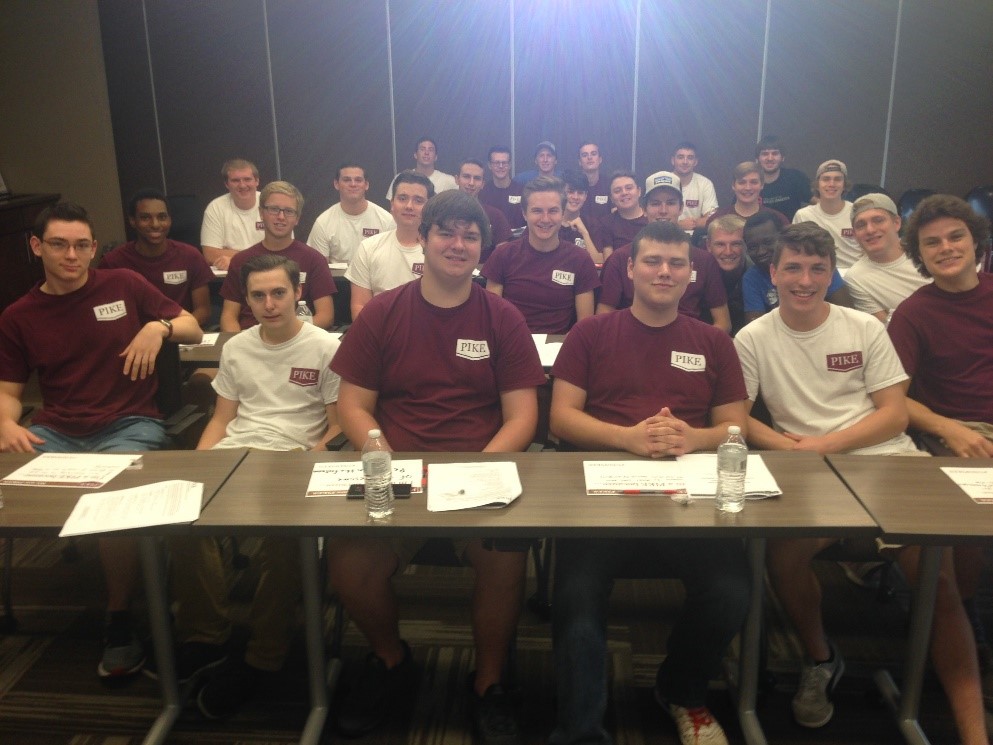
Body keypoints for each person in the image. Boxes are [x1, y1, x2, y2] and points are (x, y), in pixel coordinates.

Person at [735, 220, 988, 744]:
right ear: (772, 273)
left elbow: (894, 416)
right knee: (784, 554)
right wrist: (794, 448)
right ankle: (821, 659)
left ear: (831, 275)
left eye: (817, 269)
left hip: (887, 461)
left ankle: (973, 734)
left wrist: (824, 445)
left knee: (936, 581)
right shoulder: (753, 336)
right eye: (793, 268)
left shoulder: (863, 327)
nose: (805, 280)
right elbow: (738, 418)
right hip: (807, 471)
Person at [327, 190, 546, 743]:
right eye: (446, 232)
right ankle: (393, 660)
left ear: (482, 249)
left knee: (503, 564)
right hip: (396, 470)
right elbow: (352, 405)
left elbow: (522, 416)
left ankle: (488, 683)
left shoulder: (502, 316)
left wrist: (479, 473)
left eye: (470, 236)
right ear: (422, 240)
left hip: (478, 471)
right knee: (348, 566)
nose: (458, 244)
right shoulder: (383, 311)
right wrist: (379, 450)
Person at [549, 219, 750, 745]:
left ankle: (680, 690)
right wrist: (628, 439)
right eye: (654, 261)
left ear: (692, 275)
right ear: (630, 268)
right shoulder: (591, 333)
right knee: (575, 595)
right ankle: (581, 729)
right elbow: (562, 419)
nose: (665, 272)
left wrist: (690, 437)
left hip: (688, 493)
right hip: (603, 490)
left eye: (677, 263)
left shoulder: (713, 341)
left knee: (732, 591)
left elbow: (736, 425)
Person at [0, 202, 203, 678]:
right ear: (37, 247)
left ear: (94, 248)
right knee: (12, 496)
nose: (72, 255)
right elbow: (8, 392)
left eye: (82, 245)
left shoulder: (123, 284)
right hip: (56, 428)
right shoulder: (19, 315)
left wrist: (159, 325)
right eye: (58, 245)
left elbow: (192, 327)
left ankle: (119, 616)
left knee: (115, 504)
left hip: (129, 422)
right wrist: (7, 423)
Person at [162, 254, 342, 718]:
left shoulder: (325, 347)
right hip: (237, 452)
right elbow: (222, 419)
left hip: (293, 459)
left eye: (278, 293)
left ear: (298, 293)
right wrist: (199, 471)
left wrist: (309, 467)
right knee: (182, 517)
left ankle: (263, 655)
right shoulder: (239, 346)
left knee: (282, 542)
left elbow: (335, 429)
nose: (269, 303)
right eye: (257, 295)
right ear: (246, 299)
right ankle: (205, 637)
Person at [889, 195, 993, 733]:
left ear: (977, 241)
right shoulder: (915, 313)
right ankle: (963, 624)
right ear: (918, 255)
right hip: (955, 438)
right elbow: (893, 399)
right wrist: (949, 429)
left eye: (955, 237)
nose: (945, 248)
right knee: (965, 544)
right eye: (931, 243)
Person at [597, 171, 730, 333]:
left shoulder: (704, 260)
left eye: (671, 203)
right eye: (655, 203)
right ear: (644, 208)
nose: (663, 210)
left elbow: (723, 323)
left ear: (681, 208)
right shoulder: (620, 258)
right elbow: (603, 317)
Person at [482, 176, 600, 334]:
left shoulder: (580, 260)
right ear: (524, 214)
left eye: (553, 211)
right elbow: (492, 321)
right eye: (537, 211)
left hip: (560, 348)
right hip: (511, 346)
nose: (545, 219)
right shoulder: (503, 256)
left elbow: (585, 329)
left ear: (563, 213)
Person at [219, 181, 336, 331]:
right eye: (274, 209)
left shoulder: (313, 259)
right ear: (261, 213)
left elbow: (326, 316)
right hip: (250, 340)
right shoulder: (240, 260)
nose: (281, 217)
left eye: (289, 211)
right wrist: (239, 344)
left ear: (297, 218)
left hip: (297, 339)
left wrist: (289, 336)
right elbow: (229, 316)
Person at [101, 188, 213, 327]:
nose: (155, 224)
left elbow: (203, 310)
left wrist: (168, 331)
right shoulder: (113, 262)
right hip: (135, 341)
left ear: (170, 220)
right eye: (145, 218)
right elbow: (108, 314)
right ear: (132, 221)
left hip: (181, 335)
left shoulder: (190, 256)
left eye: (162, 217)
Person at [346, 172, 434, 319]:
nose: (409, 206)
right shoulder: (368, 248)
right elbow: (359, 307)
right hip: (380, 334)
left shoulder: (440, 251)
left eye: (418, 200)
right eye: (402, 198)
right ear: (392, 204)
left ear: (429, 207)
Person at [741, 211, 849, 324]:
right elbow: (756, 328)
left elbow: (845, 314)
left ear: (782, 239)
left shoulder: (816, 264)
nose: (761, 252)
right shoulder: (752, 278)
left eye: (768, 242)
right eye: (753, 247)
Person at [844, 193, 930, 323]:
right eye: (861, 225)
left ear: (896, 223)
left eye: (878, 220)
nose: (870, 230)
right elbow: (889, 328)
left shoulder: (927, 252)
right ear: (855, 234)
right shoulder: (856, 278)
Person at [306, 163, 395, 262]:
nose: (353, 184)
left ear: (366, 185)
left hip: (376, 277)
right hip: (336, 278)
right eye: (347, 180)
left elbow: (392, 262)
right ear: (336, 184)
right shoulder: (323, 223)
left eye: (358, 180)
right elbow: (318, 268)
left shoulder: (387, 220)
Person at [792, 160, 862, 268]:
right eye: (826, 179)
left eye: (837, 179)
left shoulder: (858, 212)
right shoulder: (803, 215)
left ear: (844, 185)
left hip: (854, 274)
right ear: (817, 185)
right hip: (818, 273)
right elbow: (795, 252)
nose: (831, 184)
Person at [200, 158, 265, 269]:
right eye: (235, 180)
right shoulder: (215, 208)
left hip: (269, 272)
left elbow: (284, 249)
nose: (242, 185)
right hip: (231, 275)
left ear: (257, 181)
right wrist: (262, 255)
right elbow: (210, 254)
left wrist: (236, 258)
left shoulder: (270, 202)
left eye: (247, 179)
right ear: (226, 184)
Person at [455, 157, 512, 262]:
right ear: (457, 179)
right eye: (466, 177)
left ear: (482, 184)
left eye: (477, 178)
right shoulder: (443, 213)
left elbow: (504, 257)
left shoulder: (495, 216)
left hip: (483, 275)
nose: (471, 183)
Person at [707, 161, 788, 227]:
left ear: (762, 185)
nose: (748, 188)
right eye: (742, 182)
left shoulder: (779, 220)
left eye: (754, 182)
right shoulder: (716, 219)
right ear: (733, 185)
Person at [706, 214, 749, 334]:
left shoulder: (757, 273)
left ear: (746, 244)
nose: (728, 252)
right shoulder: (698, 273)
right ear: (708, 245)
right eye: (720, 244)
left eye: (736, 244)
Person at [755, 135, 812, 220]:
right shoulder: (750, 183)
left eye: (775, 153)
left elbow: (816, 200)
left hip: (791, 232)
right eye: (765, 154)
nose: (770, 158)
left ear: (783, 157)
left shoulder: (795, 177)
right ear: (758, 158)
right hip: (761, 232)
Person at [595, 170, 647, 259]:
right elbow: (609, 261)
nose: (624, 193)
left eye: (629, 188)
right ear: (611, 198)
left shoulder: (652, 219)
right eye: (617, 190)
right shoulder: (606, 223)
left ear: (639, 191)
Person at [386, 137, 457, 199]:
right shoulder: (400, 178)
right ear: (415, 155)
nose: (426, 152)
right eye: (422, 149)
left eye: (431, 150)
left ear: (436, 157)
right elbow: (392, 207)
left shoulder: (449, 181)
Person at [671, 141, 719, 230]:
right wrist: (678, 225)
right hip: (665, 236)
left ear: (695, 162)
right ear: (673, 160)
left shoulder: (705, 184)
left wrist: (693, 223)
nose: (685, 162)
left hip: (695, 239)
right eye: (680, 157)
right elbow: (653, 219)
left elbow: (713, 218)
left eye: (690, 158)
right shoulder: (663, 182)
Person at [479, 145, 525, 230]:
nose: (501, 166)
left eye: (504, 163)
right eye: (496, 163)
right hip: (492, 241)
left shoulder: (522, 191)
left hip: (517, 240)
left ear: (510, 165)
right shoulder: (482, 193)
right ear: (489, 165)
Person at [560, 170, 601, 263]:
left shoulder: (594, 225)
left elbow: (599, 263)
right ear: (561, 193)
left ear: (585, 196)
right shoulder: (551, 222)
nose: (575, 197)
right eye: (570, 192)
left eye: (580, 193)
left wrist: (584, 233)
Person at [577, 141, 612, 229]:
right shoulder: (573, 186)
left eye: (593, 154)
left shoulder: (610, 185)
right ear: (579, 162)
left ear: (600, 159)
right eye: (584, 155)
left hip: (605, 236)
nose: (589, 157)